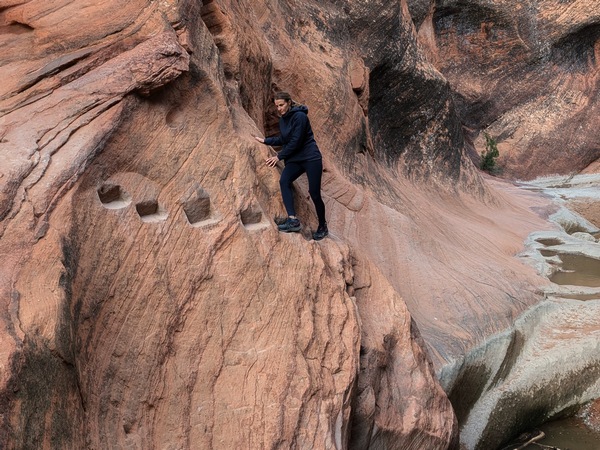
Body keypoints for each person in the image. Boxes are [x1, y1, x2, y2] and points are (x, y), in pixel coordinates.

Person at [254, 91, 328, 241]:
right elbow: (283, 138)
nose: (279, 109)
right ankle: (293, 220)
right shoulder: (283, 120)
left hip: (310, 157)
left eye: (281, 105)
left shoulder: (300, 117)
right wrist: (265, 140)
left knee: (314, 193)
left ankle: (322, 226)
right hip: (295, 159)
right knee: (284, 181)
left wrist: (279, 156)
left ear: (288, 103)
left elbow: (296, 141)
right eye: (277, 106)